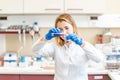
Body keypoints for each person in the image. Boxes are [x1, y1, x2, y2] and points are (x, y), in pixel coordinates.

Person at [32, 13, 104, 80]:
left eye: (67, 28)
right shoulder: (55, 47)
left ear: (73, 28)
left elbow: (99, 59)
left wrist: (82, 44)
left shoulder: (83, 46)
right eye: (60, 29)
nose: (64, 32)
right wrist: (45, 38)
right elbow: (36, 50)